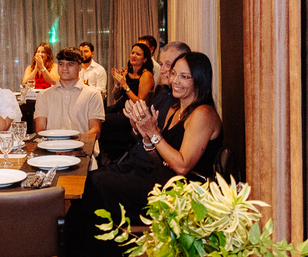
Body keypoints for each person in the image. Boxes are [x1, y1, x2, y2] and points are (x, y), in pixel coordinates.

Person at [88, 51, 223, 218]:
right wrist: (146, 136)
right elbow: (160, 162)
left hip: (183, 193)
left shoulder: (203, 113)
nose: (175, 80)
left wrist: (153, 132)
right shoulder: (176, 109)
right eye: (174, 74)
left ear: (200, 80)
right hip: (163, 178)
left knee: (99, 184)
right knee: (92, 179)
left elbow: (181, 166)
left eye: (184, 77)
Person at [34, 48, 105, 165]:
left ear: (80, 67)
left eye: (70, 64)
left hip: (82, 154)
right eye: (61, 64)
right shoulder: (44, 95)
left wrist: (72, 146)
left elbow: (95, 131)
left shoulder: (93, 94)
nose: (64, 68)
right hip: (51, 154)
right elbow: (40, 130)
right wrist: (59, 148)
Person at [149, 40, 191, 114]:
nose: (162, 70)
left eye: (168, 65)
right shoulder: (162, 90)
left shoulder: (183, 98)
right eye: (161, 64)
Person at [109, 42, 154, 107]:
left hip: (132, 112)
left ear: (145, 59)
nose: (134, 56)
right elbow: (116, 97)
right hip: (120, 106)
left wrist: (125, 85)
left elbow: (140, 103)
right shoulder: (127, 71)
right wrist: (118, 82)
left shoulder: (146, 75)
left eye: (138, 54)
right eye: (132, 53)